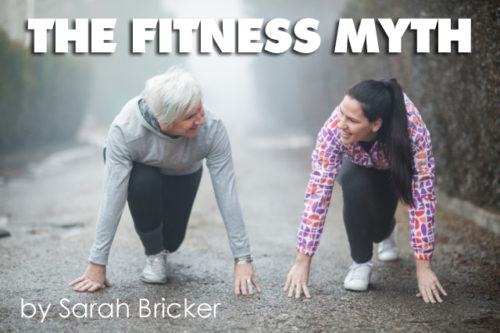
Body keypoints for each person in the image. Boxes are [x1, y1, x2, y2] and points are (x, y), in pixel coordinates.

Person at [70, 67, 260, 295]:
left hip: (183, 172)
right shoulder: (126, 128)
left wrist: (242, 258)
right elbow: (112, 197)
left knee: (172, 242)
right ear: (164, 120)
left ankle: (162, 247)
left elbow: (227, 192)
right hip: (142, 173)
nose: (200, 120)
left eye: (199, 108)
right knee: (144, 181)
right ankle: (154, 255)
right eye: (190, 116)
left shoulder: (212, 127)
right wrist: (97, 263)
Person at [284, 79, 447, 304]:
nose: (341, 123)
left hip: (392, 170)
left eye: (351, 120)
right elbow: (318, 193)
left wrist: (424, 266)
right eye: (341, 113)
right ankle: (360, 263)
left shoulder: (413, 132)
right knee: (353, 181)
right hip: (357, 167)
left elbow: (423, 198)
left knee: (378, 230)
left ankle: (388, 231)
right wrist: (302, 261)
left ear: (376, 124)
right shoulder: (334, 129)